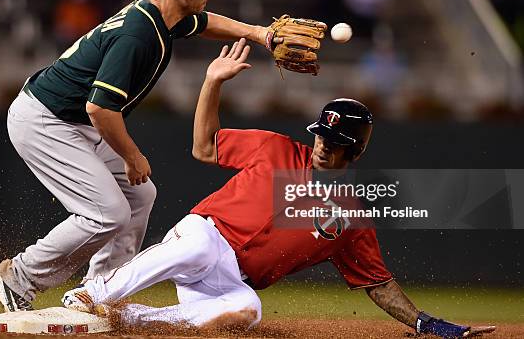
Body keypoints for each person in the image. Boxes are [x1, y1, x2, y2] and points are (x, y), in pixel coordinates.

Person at [62, 39, 495, 337]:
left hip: (232, 279)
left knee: (248, 311)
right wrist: (212, 82)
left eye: (337, 143)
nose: (324, 146)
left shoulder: (350, 216)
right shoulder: (274, 148)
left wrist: (426, 324)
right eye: (322, 136)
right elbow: (203, 147)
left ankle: (129, 318)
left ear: (355, 152)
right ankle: (90, 294)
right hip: (207, 235)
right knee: (194, 248)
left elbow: (377, 283)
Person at [0, 0, 282, 312]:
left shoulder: (161, 18)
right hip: (46, 120)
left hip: (73, 121)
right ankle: (19, 277)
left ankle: (96, 293)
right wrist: (133, 155)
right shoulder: (138, 35)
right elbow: (100, 107)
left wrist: (260, 33)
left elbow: (205, 23)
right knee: (105, 212)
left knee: (139, 197)